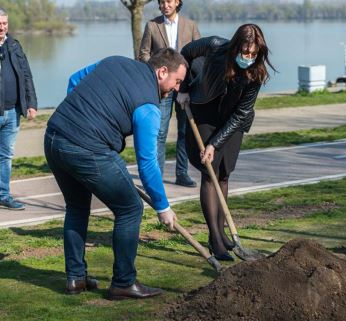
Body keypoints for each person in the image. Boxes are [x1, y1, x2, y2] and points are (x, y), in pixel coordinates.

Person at [44, 49, 187, 299]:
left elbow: (74, 81)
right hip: (86, 148)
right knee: (130, 208)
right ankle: (123, 282)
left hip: (54, 138)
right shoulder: (149, 107)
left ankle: (76, 278)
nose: (176, 89)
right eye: (177, 81)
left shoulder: (114, 61)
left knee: (77, 208)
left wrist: (83, 117)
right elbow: (147, 163)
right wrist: (163, 207)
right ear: (162, 71)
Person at [177, 24, 275, 260]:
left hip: (232, 120)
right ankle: (215, 239)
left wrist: (215, 143)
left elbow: (242, 113)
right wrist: (182, 88)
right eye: (245, 52)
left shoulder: (256, 72)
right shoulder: (214, 46)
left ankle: (221, 234)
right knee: (209, 173)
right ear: (235, 46)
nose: (248, 58)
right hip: (204, 111)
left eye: (253, 54)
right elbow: (184, 54)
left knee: (223, 173)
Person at [139, 0, 200, 187]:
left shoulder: (190, 26)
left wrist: (187, 87)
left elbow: (198, 57)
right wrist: (158, 72)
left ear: (177, 3)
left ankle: (182, 173)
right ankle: (155, 177)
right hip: (162, 88)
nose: (165, 5)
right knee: (160, 132)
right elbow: (143, 54)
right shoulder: (152, 25)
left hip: (184, 88)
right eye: (162, 2)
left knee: (184, 132)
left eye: (169, 1)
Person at [0, 7, 37, 210]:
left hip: (13, 112)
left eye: (5, 23)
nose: (2, 27)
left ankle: (3, 195)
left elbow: (26, 76)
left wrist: (31, 103)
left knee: (5, 156)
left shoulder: (14, 45)